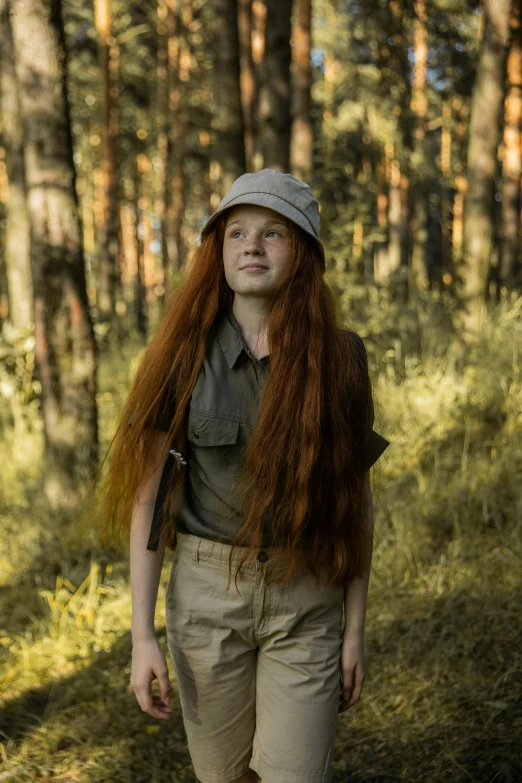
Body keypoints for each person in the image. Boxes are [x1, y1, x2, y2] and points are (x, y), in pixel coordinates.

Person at [99, 169, 389, 783]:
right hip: (207, 603)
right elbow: (149, 499)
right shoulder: (179, 357)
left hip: (307, 599)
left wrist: (354, 630)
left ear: (303, 253)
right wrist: (141, 637)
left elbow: (355, 503)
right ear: (219, 253)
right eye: (236, 232)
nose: (252, 245)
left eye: (273, 233)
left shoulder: (342, 359)